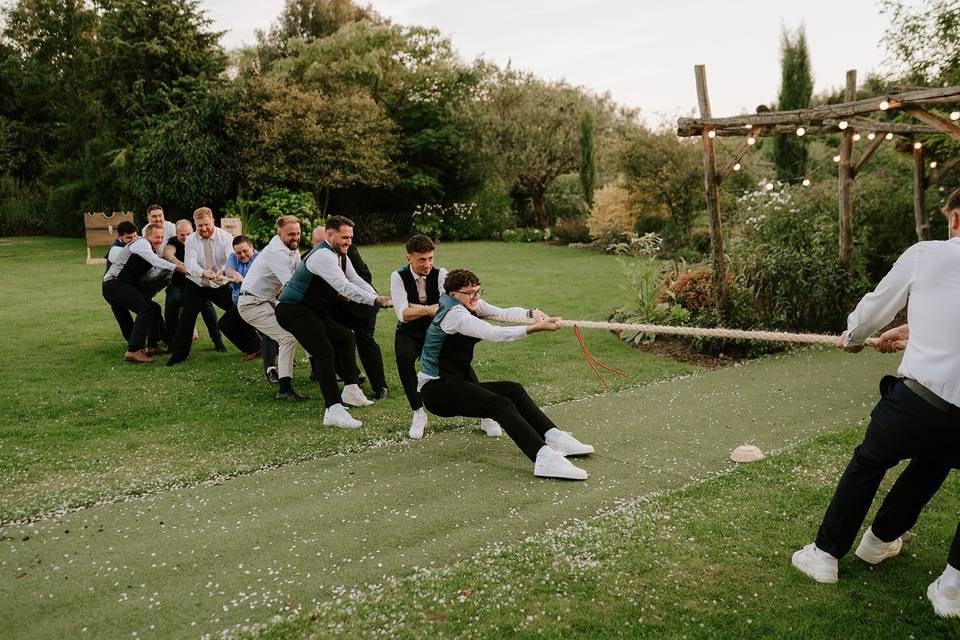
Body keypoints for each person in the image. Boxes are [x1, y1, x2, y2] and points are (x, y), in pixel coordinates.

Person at [791, 187, 960, 619]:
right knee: (934, 459)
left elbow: (875, 307)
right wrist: (903, 333)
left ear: (955, 219)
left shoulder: (928, 253)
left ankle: (825, 557)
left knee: (870, 462)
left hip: (917, 403)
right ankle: (943, 586)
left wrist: (855, 336)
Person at [417, 268, 594, 480]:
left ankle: (553, 437)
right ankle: (543, 459)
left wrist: (532, 313)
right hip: (438, 391)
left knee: (513, 390)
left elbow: (502, 313)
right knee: (500, 405)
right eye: (470, 292)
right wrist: (535, 328)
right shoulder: (455, 314)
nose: (476, 296)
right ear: (453, 294)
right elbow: (493, 333)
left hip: (454, 382)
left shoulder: (468, 302)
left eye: (478, 290)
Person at [276, 216, 391, 428]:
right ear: (330, 235)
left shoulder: (339, 254)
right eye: (344, 237)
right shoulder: (323, 256)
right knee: (324, 352)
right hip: (292, 311)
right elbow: (344, 287)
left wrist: (376, 294)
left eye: (351, 237)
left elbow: (355, 279)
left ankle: (351, 391)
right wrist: (375, 300)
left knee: (346, 336)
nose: (349, 241)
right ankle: (333, 410)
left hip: (311, 311)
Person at [390, 235, 502, 439]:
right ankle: (418, 413)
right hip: (410, 331)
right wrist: (428, 309)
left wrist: (421, 309)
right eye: (422, 259)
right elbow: (403, 314)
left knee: (459, 361)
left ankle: (487, 415)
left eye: (430, 258)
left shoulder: (441, 273)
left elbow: (450, 302)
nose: (427, 264)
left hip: (438, 327)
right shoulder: (398, 276)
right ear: (409, 259)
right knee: (403, 358)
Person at [165, 207, 260, 365]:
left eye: (206, 224)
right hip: (197, 283)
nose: (203, 229)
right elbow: (190, 264)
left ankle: (255, 346)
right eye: (199, 225)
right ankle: (179, 355)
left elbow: (232, 260)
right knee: (187, 318)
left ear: (213, 221)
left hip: (220, 283)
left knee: (237, 312)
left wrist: (221, 273)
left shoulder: (225, 237)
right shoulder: (191, 240)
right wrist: (204, 273)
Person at [237, 218, 305, 400]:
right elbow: (291, 284)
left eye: (298, 233)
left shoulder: (292, 249)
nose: (296, 238)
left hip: (267, 301)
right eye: (291, 234)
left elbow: (301, 275)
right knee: (287, 337)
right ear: (279, 233)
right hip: (251, 303)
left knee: (299, 327)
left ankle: (318, 370)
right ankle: (284, 389)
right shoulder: (275, 252)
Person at [102, 223, 185, 362]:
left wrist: (170, 274)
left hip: (120, 285)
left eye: (161, 237)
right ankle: (133, 351)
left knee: (154, 308)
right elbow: (155, 261)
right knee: (145, 310)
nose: (159, 240)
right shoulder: (141, 243)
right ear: (146, 236)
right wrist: (177, 267)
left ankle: (152, 346)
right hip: (115, 284)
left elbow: (150, 275)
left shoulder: (149, 249)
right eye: (156, 237)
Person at [223, 234, 280, 381]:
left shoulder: (260, 259)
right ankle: (254, 347)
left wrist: (245, 280)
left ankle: (277, 357)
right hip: (240, 304)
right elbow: (227, 270)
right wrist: (233, 273)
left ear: (252, 248)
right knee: (225, 324)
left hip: (259, 301)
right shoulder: (233, 257)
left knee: (268, 330)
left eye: (245, 251)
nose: (241, 255)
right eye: (238, 252)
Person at [162, 219, 224, 351]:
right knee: (172, 301)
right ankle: (172, 342)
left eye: (188, 234)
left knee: (206, 305)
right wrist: (179, 264)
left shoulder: (198, 240)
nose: (185, 237)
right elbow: (167, 253)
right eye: (181, 234)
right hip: (178, 282)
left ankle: (217, 340)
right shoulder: (173, 242)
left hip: (197, 282)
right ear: (177, 234)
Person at [104, 220, 139, 342]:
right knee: (144, 310)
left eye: (135, 236)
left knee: (125, 313)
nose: (133, 239)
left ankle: (134, 341)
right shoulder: (115, 250)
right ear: (119, 237)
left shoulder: (136, 243)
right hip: (114, 287)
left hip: (120, 286)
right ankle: (134, 343)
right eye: (129, 237)